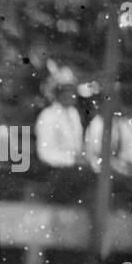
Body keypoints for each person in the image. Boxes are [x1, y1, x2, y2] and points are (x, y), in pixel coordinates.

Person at [33, 68, 88, 203]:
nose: (71, 95)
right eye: (66, 91)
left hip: (74, 170)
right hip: (54, 172)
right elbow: (45, 153)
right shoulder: (48, 116)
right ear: (58, 92)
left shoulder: (74, 114)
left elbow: (77, 147)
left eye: (72, 90)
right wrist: (71, 161)